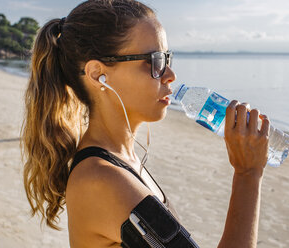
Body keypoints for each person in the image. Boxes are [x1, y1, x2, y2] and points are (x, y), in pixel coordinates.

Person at [21, 0, 270, 247]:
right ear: (98, 74)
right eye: (154, 61)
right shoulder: (101, 179)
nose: (170, 75)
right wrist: (248, 173)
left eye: (167, 58)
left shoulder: (120, 162)